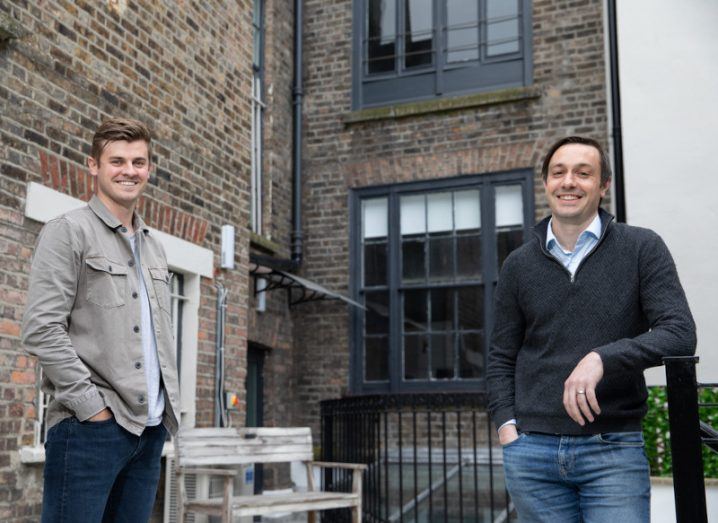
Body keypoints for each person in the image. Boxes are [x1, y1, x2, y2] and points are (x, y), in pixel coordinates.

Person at [487, 136, 696, 522]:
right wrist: (507, 429)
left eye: (584, 173)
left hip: (612, 449)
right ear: (547, 184)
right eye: (558, 173)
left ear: (603, 187)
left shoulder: (641, 248)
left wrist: (603, 357)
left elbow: (679, 331)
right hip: (531, 452)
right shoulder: (518, 264)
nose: (569, 182)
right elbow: (501, 355)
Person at [22, 117, 181, 522]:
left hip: (149, 434)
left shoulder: (156, 250)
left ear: (150, 169)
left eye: (139, 162)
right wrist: (93, 410)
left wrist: (162, 419)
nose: (130, 171)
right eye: (118, 161)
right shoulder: (68, 232)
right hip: (90, 430)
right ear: (93, 165)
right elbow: (42, 329)